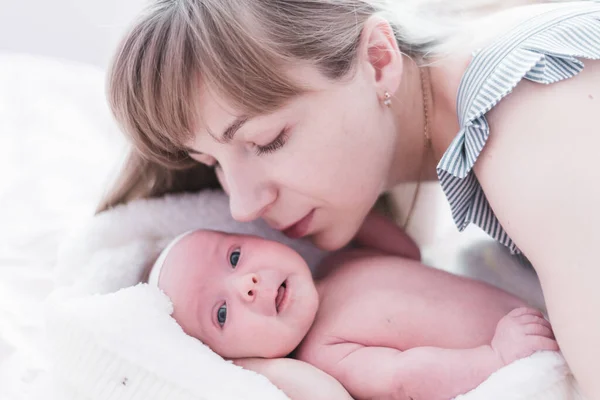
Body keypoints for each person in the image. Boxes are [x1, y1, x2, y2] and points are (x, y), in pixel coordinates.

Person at [100, 0, 600, 397]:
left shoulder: (529, 140)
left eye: (266, 140)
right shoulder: (432, 118)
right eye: (212, 163)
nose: (242, 207)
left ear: (379, 61)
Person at [148, 227, 557, 400]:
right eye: (221, 314)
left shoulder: (336, 262)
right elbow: (404, 377)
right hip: (510, 362)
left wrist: (339, 220)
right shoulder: (322, 356)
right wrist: (497, 358)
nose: (246, 284)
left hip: (537, 312)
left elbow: (406, 252)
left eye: (235, 256)